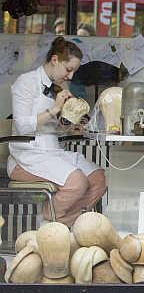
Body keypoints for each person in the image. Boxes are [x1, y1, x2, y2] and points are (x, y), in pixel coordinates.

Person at [8, 37, 107, 227]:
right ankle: (47, 223)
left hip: (53, 152)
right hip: (27, 155)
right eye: (68, 70)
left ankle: (64, 223)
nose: (70, 76)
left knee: (98, 179)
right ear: (55, 60)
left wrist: (70, 124)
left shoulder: (60, 87)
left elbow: (56, 128)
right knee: (77, 182)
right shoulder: (26, 82)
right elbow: (22, 127)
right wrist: (54, 109)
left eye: (74, 72)